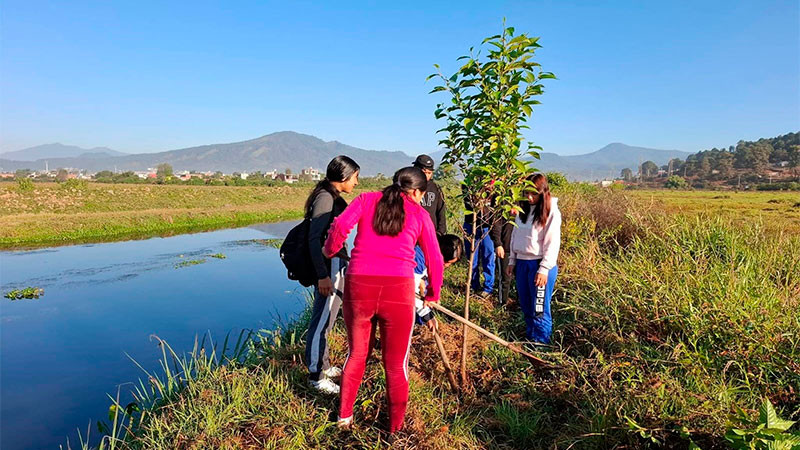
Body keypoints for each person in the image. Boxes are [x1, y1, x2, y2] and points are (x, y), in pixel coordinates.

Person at [323, 166, 444, 433]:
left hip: (359, 286)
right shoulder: (420, 214)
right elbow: (435, 258)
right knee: (395, 364)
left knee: (356, 355)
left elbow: (341, 225)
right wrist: (433, 294)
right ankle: (395, 431)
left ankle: (344, 418)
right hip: (398, 291)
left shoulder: (366, 199)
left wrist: (330, 249)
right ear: (415, 191)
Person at [303, 155, 360, 394]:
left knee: (328, 317)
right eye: (355, 177)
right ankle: (316, 375)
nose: (356, 183)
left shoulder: (331, 196)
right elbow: (314, 240)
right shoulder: (326, 198)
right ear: (344, 177)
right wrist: (322, 276)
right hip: (328, 269)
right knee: (321, 320)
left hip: (336, 266)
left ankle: (324, 365)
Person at [505, 173, 562, 344]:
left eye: (534, 194)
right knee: (526, 304)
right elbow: (515, 234)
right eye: (527, 193)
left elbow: (552, 243)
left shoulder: (551, 211)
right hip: (522, 263)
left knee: (539, 308)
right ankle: (530, 338)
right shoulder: (523, 210)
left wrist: (544, 269)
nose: (530, 197)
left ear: (543, 192)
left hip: (540, 265)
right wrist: (512, 260)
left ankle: (540, 343)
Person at [414, 234, 463, 328]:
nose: (447, 266)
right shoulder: (419, 259)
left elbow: (425, 281)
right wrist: (427, 315)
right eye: (448, 262)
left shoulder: (430, 254)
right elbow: (411, 291)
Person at [463, 184, 495, 298]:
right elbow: (469, 205)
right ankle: (473, 285)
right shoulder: (469, 183)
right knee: (472, 258)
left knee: (488, 257)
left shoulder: (495, 186)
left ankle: (488, 287)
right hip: (471, 224)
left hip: (487, 226)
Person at [413, 154, 447, 235]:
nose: (427, 175)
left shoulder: (435, 188)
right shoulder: (409, 187)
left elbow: (441, 212)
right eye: (424, 172)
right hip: (413, 234)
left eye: (429, 173)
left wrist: (440, 232)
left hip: (430, 234)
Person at [490, 215, 514, 305]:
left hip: (521, 249)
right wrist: (498, 244)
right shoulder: (503, 202)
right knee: (505, 278)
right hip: (505, 247)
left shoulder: (527, 205)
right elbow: (496, 224)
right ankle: (502, 303)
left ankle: (521, 305)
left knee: (520, 278)